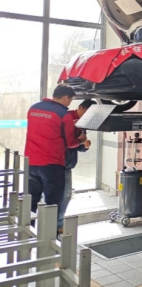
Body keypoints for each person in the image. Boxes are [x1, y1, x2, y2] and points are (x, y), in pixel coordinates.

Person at [25, 85, 81, 228]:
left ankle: (28, 231)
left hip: (31, 162)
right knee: (52, 203)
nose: (69, 104)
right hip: (52, 164)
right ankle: (48, 235)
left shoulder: (34, 108)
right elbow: (70, 143)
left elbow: (48, 121)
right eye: (70, 100)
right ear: (66, 97)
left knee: (31, 200)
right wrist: (81, 140)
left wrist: (72, 117)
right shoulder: (64, 115)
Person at [57, 99, 94, 233]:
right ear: (80, 107)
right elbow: (62, 140)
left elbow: (78, 145)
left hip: (67, 163)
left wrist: (85, 145)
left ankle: (57, 224)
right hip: (57, 161)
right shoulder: (65, 118)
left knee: (65, 194)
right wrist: (79, 141)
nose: (88, 116)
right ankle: (55, 224)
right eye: (87, 112)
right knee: (58, 194)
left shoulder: (82, 123)